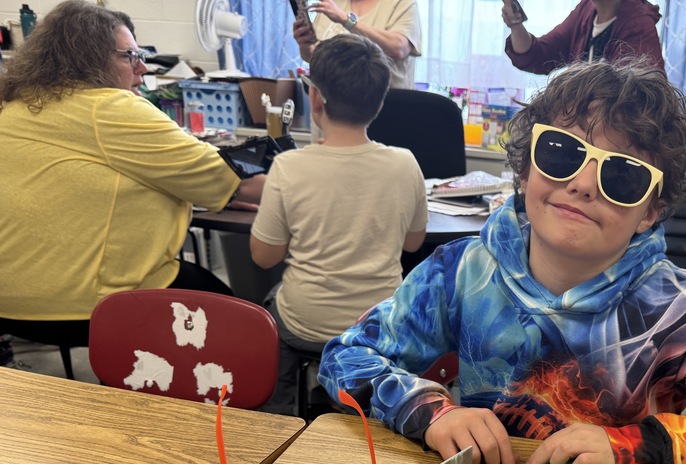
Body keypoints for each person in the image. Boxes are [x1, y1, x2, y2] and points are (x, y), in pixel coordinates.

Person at [318, 59, 686, 464]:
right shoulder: (461, 272)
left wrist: (635, 446)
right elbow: (346, 354)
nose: (583, 184)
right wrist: (429, 412)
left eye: (622, 175)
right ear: (524, 169)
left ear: (651, 210)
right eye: (562, 153)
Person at [0, 1, 264, 342]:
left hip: (11, 300)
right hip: (84, 305)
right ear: (89, 58)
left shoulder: (16, 106)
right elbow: (244, 184)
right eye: (130, 56)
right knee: (239, 321)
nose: (142, 69)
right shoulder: (109, 106)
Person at [251, 34, 427, 416]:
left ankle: (279, 417)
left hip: (305, 323)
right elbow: (414, 244)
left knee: (272, 305)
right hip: (377, 327)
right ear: (380, 103)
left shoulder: (288, 167)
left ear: (316, 98)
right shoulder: (405, 163)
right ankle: (357, 410)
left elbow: (264, 257)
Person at [502, 0, 664, 75]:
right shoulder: (585, 11)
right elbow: (540, 56)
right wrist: (516, 26)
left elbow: (638, 104)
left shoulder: (637, 25)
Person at [293, 0, 422, 89]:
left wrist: (346, 20)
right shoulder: (334, 3)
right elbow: (313, 55)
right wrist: (306, 45)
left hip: (385, 109)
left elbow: (398, 48)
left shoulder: (401, 3)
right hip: (331, 108)